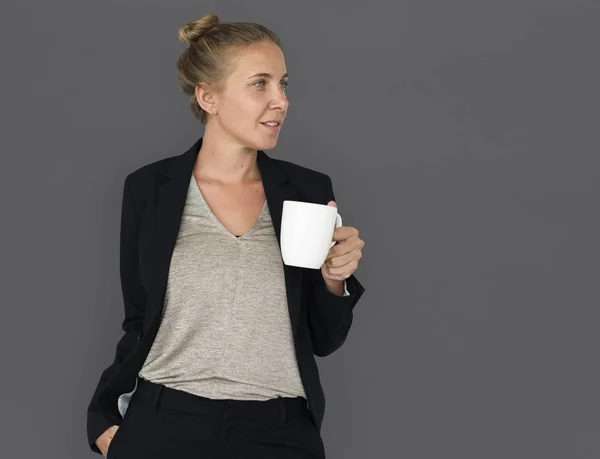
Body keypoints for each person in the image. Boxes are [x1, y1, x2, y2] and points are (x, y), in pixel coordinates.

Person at [87, 12, 366, 458]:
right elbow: (140, 319)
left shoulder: (309, 192)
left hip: (278, 431)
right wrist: (104, 418)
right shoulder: (149, 190)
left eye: (283, 83)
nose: (281, 100)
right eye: (260, 83)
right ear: (208, 97)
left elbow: (324, 339)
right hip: (163, 425)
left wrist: (335, 281)